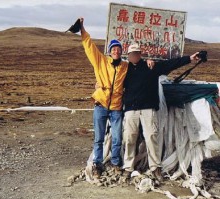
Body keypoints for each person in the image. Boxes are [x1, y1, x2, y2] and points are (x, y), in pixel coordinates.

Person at [122, 43, 200, 181]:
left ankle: (155, 167)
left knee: (152, 136)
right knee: (129, 137)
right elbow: (109, 73)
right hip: (131, 109)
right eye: (132, 54)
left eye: (137, 53)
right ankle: (128, 167)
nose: (135, 56)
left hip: (148, 108)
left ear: (140, 54)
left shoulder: (150, 66)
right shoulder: (124, 69)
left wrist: (189, 59)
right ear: (128, 56)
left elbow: (170, 64)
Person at [79, 17, 128, 179]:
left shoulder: (125, 67)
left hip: (116, 107)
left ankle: (115, 163)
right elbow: (89, 47)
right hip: (101, 104)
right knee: (99, 138)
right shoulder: (101, 61)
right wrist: (82, 29)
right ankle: (97, 164)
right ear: (110, 51)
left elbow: (138, 68)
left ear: (121, 51)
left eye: (118, 49)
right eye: (114, 49)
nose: (116, 51)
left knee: (117, 137)